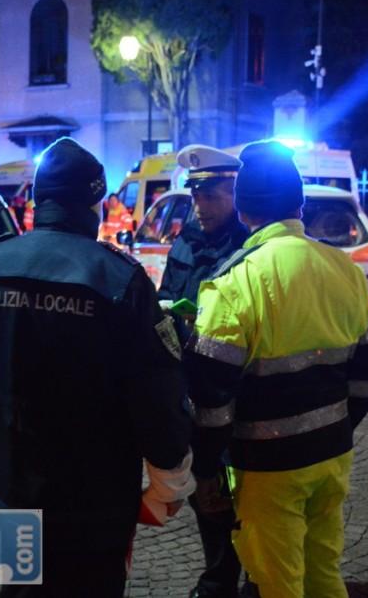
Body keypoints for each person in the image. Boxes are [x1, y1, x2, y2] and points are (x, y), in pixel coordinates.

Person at [0, 137, 195, 597]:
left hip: (14, 491)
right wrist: (170, 481)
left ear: (38, 201)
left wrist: (15, 404)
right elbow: (157, 396)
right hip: (95, 504)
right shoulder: (119, 279)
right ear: (94, 204)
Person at [184, 141, 368, 598]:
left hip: (267, 468)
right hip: (332, 454)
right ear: (299, 205)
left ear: (243, 210)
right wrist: (336, 429)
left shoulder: (235, 282)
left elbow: (211, 399)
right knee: (323, 572)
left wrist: (206, 469)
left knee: (276, 582)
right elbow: (364, 377)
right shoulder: (345, 269)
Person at [155, 145, 249, 598]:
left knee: (242, 493)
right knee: (206, 492)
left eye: (211, 196)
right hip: (194, 387)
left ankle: (253, 577)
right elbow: (166, 297)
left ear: (235, 194)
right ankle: (219, 578)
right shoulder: (186, 241)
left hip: (237, 393)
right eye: (195, 196)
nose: (200, 206)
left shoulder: (248, 246)